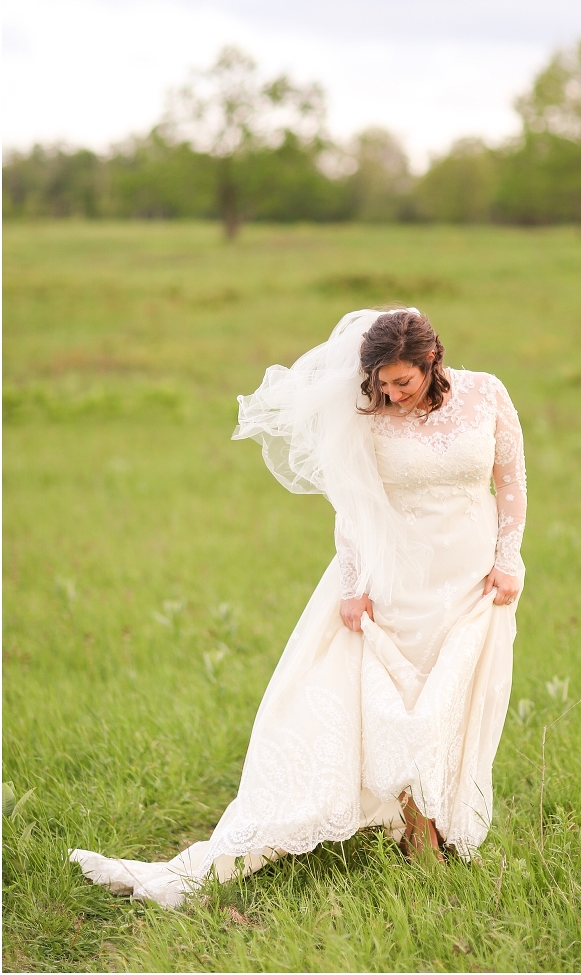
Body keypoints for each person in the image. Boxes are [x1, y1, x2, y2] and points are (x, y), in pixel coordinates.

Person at [70, 308, 527, 907]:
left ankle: (436, 825)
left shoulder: (487, 393)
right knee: (402, 704)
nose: (392, 394)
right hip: (397, 581)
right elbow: (353, 506)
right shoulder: (371, 416)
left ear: (432, 360)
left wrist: (508, 558)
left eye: (403, 382)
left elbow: (510, 481)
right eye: (383, 384)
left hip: (469, 577)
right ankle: (419, 839)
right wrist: (353, 585)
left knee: (457, 700)